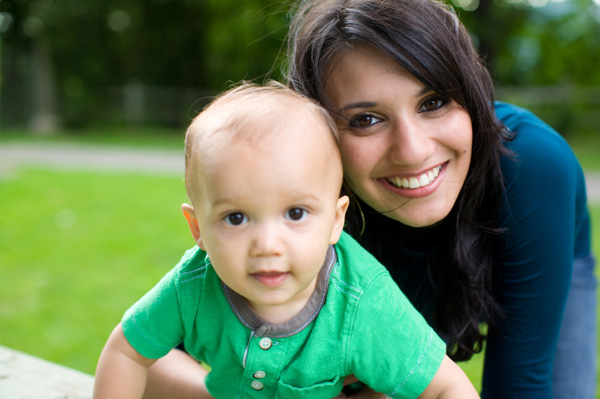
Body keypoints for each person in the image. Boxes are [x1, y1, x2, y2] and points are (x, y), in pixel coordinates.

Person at [284, 0, 597, 398]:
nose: (413, 151)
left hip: (538, 256)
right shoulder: (302, 194)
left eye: (433, 102)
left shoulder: (534, 166)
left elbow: (521, 384)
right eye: (366, 119)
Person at [93, 81, 480, 399]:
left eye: (295, 213)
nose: (267, 245)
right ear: (198, 230)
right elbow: (126, 351)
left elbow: (448, 386)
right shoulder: (193, 284)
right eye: (236, 217)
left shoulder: (361, 302)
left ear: (335, 221)